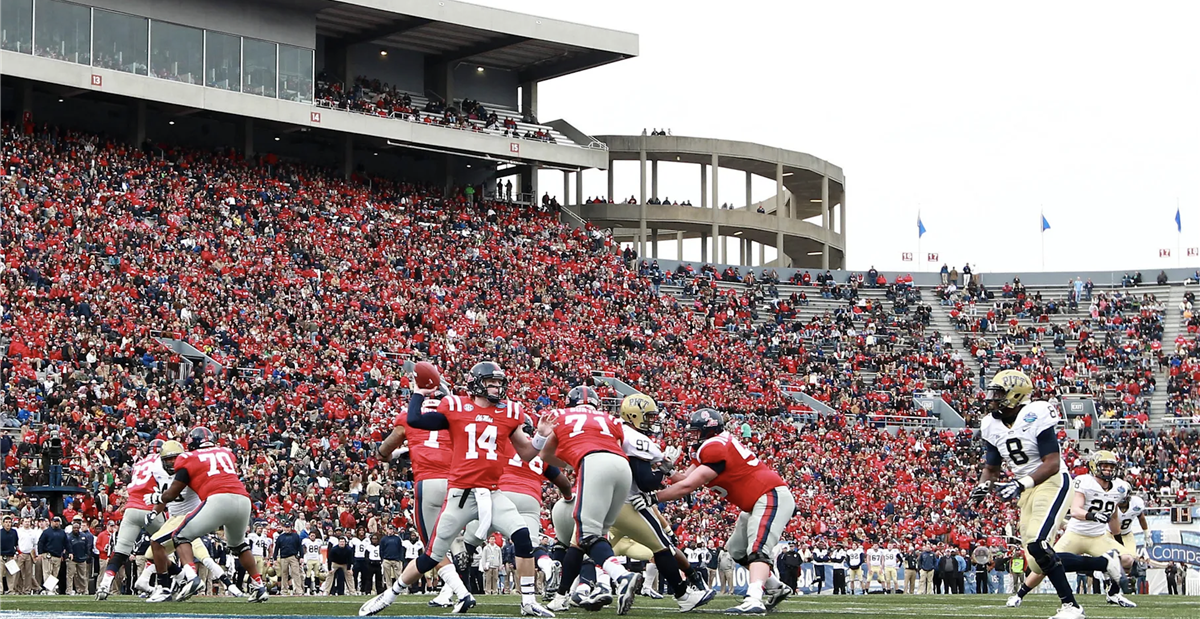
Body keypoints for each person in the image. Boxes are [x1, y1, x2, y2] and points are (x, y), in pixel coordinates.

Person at [360, 361, 554, 618]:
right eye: (491, 383)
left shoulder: (509, 413)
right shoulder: (456, 406)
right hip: (460, 495)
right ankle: (390, 594)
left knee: (522, 537)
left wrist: (540, 436)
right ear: (476, 384)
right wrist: (419, 392)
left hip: (492, 493)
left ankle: (528, 600)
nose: (497, 388)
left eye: (499, 383)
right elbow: (416, 419)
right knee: (432, 555)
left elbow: (527, 454)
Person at [972, 370, 1122, 619]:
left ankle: (1071, 606)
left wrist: (1022, 483)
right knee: (1035, 561)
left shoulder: (1037, 412)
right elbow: (991, 467)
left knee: (1038, 543)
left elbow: (1052, 462)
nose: (993, 398)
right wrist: (982, 486)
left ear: (1015, 395)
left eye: (999, 393)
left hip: (1051, 481)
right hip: (1027, 489)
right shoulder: (989, 423)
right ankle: (1103, 563)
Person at [553, 393, 710, 612]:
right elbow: (646, 481)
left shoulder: (605, 427)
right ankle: (683, 594)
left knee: (579, 543)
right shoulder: (634, 437)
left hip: (594, 491)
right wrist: (665, 468)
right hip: (624, 502)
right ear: (633, 415)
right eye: (648, 417)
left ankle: (564, 595)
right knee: (662, 546)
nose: (652, 422)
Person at [645, 408, 796, 614]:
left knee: (757, 549)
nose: (692, 436)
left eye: (696, 431)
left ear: (710, 430)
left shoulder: (715, 447)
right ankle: (775, 587)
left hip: (769, 495)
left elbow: (688, 487)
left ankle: (754, 599)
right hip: (755, 503)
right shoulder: (710, 447)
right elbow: (685, 480)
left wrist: (653, 498)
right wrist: (668, 470)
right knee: (736, 550)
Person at [536, 385, 641, 616]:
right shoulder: (609, 418)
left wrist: (573, 460)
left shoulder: (561, 415)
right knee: (583, 540)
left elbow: (544, 455)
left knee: (587, 534)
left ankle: (621, 576)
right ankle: (561, 597)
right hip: (622, 467)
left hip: (593, 463)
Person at [374, 382, 468, 608]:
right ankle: (457, 543)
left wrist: (394, 454)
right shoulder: (456, 417)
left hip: (428, 481)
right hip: (456, 483)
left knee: (431, 547)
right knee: (446, 531)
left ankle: (461, 592)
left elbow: (383, 451)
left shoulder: (409, 416)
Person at [148, 426, 268, 602]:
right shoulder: (226, 452)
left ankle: (191, 577)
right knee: (238, 545)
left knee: (180, 536)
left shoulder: (188, 457)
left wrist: (156, 497)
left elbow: (172, 494)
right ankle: (259, 587)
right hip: (243, 500)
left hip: (218, 499)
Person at [1008, 450, 1136, 608]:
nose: (1108, 470)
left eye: (1111, 466)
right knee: (1045, 564)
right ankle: (1019, 595)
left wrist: (1118, 541)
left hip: (1098, 537)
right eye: (1104, 466)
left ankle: (1113, 593)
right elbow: (1075, 510)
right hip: (1075, 535)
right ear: (1094, 466)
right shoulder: (1085, 482)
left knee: (1127, 559)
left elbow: (1114, 515)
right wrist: (1092, 516)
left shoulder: (1120, 487)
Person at [137, 440, 241, 600]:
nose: (172, 463)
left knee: (158, 543)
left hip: (190, 517)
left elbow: (174, 495)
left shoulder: (189, 469)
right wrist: (154, 511)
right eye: (168, 459)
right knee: (152, 554)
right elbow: (166, 494)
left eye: (175, 459)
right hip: (174, 519)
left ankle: (166, 588)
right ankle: (181, 577)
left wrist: (157, 497)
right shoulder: (157, 470)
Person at [96, 440, 170, 600]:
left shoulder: (139, 463)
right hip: (151, 509)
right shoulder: (161, 463)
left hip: (131, 508)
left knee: (120, 552)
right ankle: (158, 585)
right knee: (165, 549)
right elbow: (166, 489)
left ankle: (104, 584)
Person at [65, 517, 93, 595]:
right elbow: (67, 547)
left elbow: (87, 547)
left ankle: (85, 590)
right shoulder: (69, 537)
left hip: (82, 558)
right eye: (74, 528)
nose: (76, 529)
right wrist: (68, 555)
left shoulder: (84, 536)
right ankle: (69, 590)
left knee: (83, 576)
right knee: (70, 575)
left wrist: (87, 555)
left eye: (77, 528)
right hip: (72, 559)